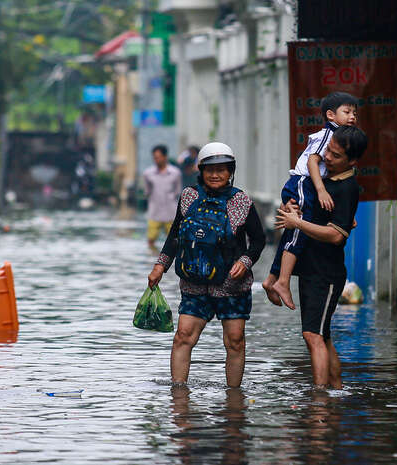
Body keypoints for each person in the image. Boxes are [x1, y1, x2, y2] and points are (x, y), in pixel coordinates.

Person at [147, 142, 266, 388]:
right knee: (182, 337)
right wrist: (160, 266)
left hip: (232, 286)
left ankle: (234, 401)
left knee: (235, 341)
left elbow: (259, 240)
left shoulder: (242, 202)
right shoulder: (189, 196)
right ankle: (179, 399)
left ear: (231, 171)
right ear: (200, 170)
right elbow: (175, 236)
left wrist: (245, 261)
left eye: (222, 169)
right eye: (210, 169)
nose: (215, 174)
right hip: (194, 284)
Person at [274, 125, 367, 388]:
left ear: (352, 162)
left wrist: (297, 223)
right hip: (311, 269)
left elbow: (337, 235)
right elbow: (303, 204)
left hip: (326, 273)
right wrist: (289, 209)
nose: (328, 157)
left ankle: (319, 398)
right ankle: (334, 389)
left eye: (336, 156)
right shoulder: (325, 181)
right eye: (328, 150)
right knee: (322, 336)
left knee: (312, 335)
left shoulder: (347, 188)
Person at [263, 92, 359, 310]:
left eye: (355, 112)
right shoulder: (329, 135)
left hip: (304, 185)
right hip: (304, 182)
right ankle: (283, 281)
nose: (352, 116)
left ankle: (272, 279)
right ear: (330, 115)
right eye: (347, 112)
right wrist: (320, 189)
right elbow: (312, 164)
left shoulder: (339, 136)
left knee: (293, 231)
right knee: (298, 230)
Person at [143, 144, 182, 250]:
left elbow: (177, 192)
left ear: (165, 157)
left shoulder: (175, 173)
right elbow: (147, 192)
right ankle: (152, 258)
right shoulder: (148, 173)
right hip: (154, 212)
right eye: (154, 157)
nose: (156, 160)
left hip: (171, 213)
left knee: (174, 241)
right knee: (150, 240)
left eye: (158, 157)